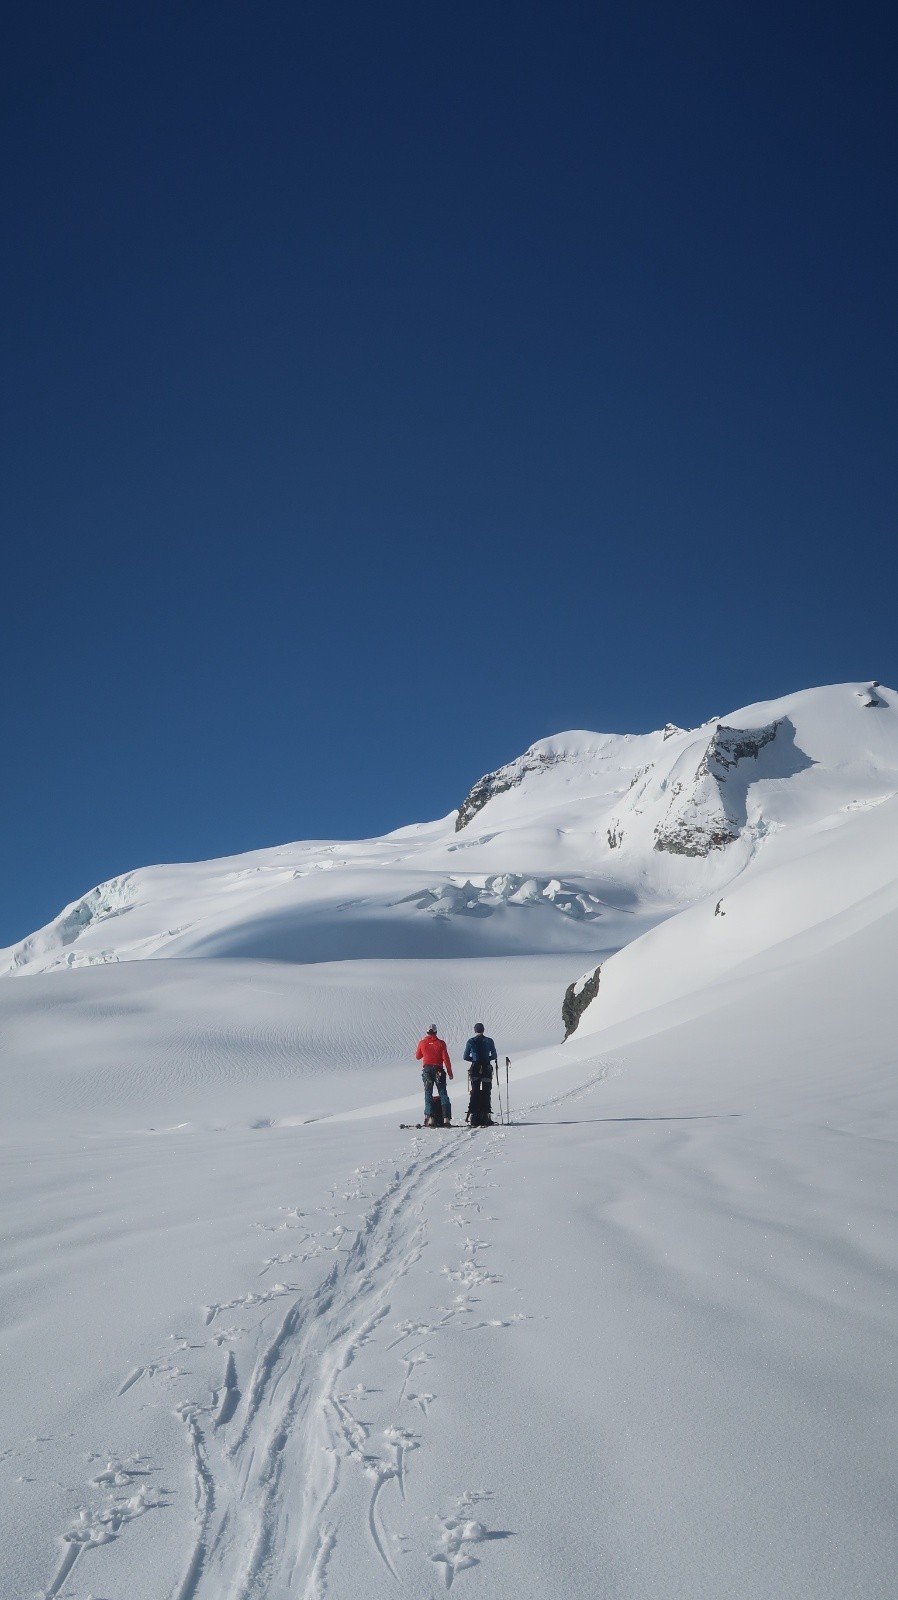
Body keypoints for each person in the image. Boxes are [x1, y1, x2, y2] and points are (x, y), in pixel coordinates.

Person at [415, 1024, 453, 1126]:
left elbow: (418, 1056)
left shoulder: (422, 1043)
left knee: (428, 1093)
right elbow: (446, 1059)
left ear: (427, 1032)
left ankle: (430, 1118)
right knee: (442, 1092)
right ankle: (446, 1118)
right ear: (436, 1032)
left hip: (427, 1070)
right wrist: (450, 1073)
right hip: (438, 1070)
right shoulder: (441, 1043)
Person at [464, 1023, 498, 1126]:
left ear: (475, 1030)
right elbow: (494, 1055)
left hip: (475, 1069)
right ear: (483, 1030)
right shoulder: (489, 1041)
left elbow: (465, 1056)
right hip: (486, 1068)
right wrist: (487, 1059)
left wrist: (474, 1060)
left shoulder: (471, 1041)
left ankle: (474, 1115)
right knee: (487, 1091)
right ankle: (485, 1115)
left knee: (475, 1091)